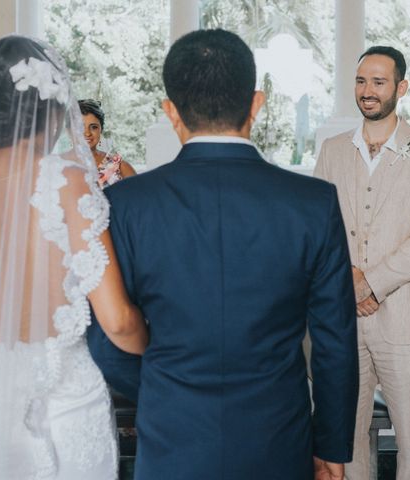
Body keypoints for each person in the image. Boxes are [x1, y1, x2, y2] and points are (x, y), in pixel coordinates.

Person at [98, 28, 359, 480]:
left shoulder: (125, 204)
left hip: (171, 438)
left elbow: (106, 341)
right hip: (279, 438)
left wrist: (167, 389)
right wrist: (331, 445)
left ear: (171, 112)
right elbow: (335, 341)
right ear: (257, 104)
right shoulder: (312, 202)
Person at [0, 35, 148, 479]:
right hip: (62, 396)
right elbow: (118, 321)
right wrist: (161, 350)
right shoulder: (67, 182)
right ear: (51, 108)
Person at [314, 45, 410, 480]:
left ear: (401, 87)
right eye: (360, 81)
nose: (367, 91)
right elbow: (319, 226)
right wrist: (346, 285)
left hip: (405, 316)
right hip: (343, 317)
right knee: (346, 432)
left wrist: (369, 283)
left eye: (378, 81)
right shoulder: (332, 149)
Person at [78, 98, 136, 188]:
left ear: (101, 129)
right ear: (69, 130)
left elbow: (142, 199)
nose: (87, 133)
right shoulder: (57, 166)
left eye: (93, 127)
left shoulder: (120, 167)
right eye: (81, 127)